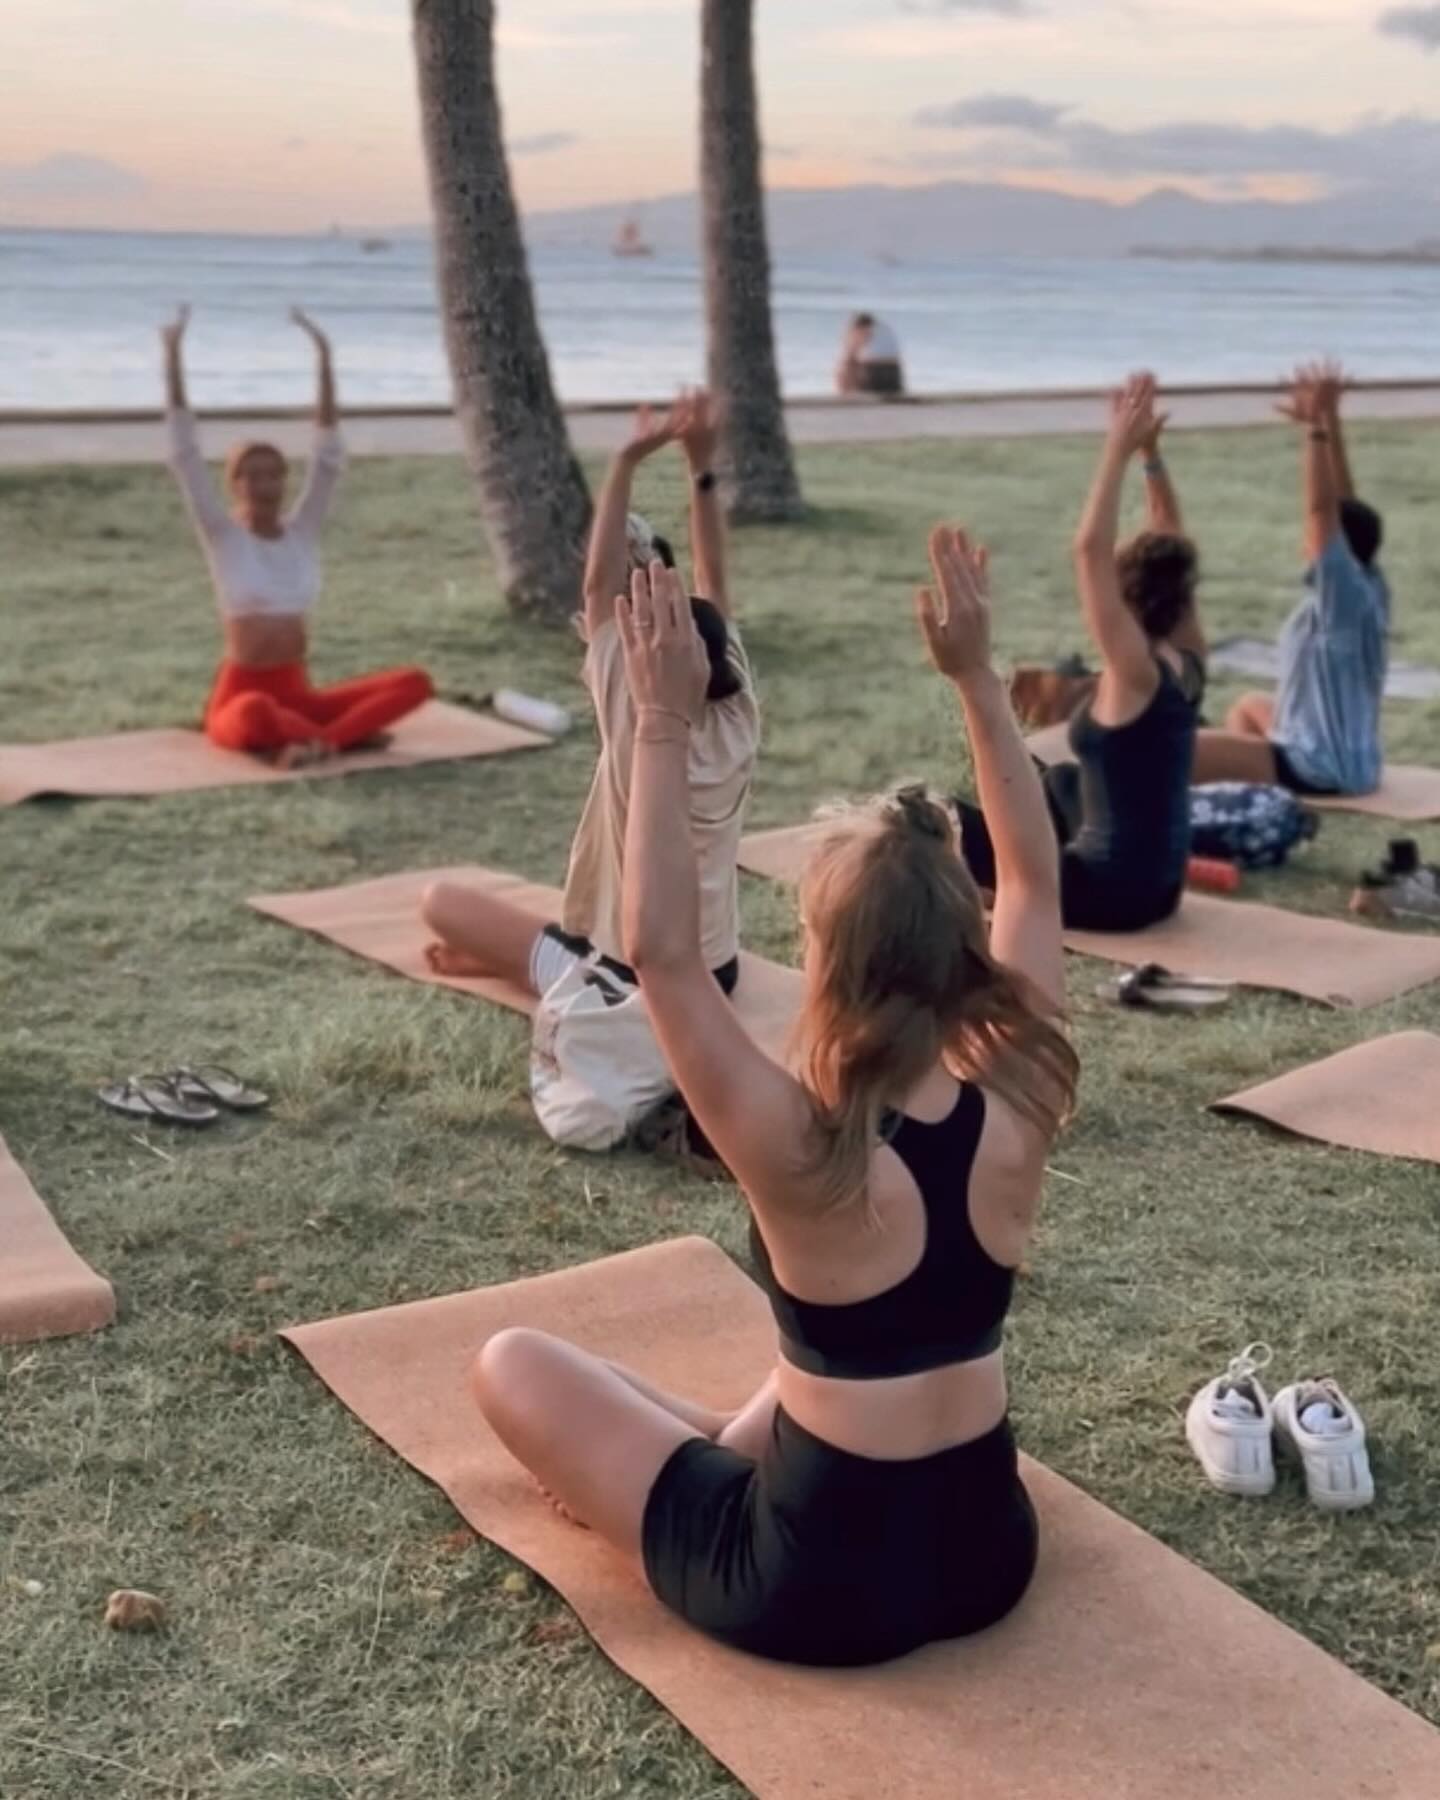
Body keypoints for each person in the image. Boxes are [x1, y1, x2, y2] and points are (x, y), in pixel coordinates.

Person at [467, 528, 1078, 1667]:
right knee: (810, 1360)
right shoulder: (1019, 1087)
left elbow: (660, 952)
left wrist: (658, 718)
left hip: (811, 1586)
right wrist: (977, 679)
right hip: (990, 1551)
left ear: (828, 961)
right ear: (960, 949)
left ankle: (690, 1450)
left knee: (513, 1360)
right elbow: (1036, 875)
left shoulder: (799, 1139)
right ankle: (711, 1437)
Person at [421, 391, 759, 1136]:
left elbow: (597, 583)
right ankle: (539, 970)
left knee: (441, 903)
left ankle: (547, 976)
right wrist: (702, 466)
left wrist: (628, 459)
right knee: (460, 925)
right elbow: (713, 581)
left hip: (632, 976)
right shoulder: (738, 714)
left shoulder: (636, 711)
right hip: (714, 972)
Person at [955, 373, 1206, 931]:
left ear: (1126, 596)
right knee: (1052, 780)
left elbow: (1088, 551)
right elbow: (1172, 540)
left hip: (1107, 893)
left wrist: (1116, 447)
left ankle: (972, 907)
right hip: (1160, 887)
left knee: (935, 815)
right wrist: (1151, 457)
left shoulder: (1133, 671)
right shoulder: (1188, 660)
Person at [162, 304, 433, 768]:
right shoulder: (223, 536)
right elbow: (185, 454)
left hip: (298, 692)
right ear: (234, 484)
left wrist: (324, 356)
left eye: (272, 475)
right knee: (253, 713)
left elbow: (327, 454)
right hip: (243, 693)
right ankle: (340, 738)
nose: (263, 485)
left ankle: (320, 742)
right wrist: (172, 354)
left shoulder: (301, 532)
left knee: (415, 683)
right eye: (250, 476)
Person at [1191, 362, 1388, 796]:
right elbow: (1341, 505)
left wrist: (1314, 432)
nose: (1309, 541)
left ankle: (1253, 794)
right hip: (1345, 758)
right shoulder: (1369, 585)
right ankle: (1256, 791)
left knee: (1171, 752)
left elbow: (1321, 512)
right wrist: (1330, 419)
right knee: (1247, 706)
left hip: (1320, 766)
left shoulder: (1343, 597)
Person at [836, 313, 906, 398]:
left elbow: (850, 353)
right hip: (894, 378)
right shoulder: (884, 328)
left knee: (848, 363)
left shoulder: (863, 329)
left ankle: (846, 395)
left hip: (874, 374)